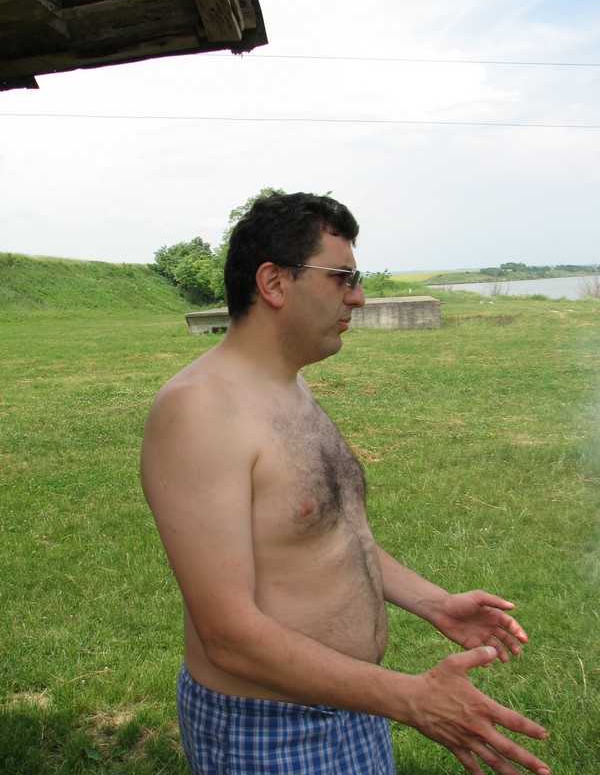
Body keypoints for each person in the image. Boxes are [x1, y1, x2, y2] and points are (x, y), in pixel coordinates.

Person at [140, 192, 550, 775]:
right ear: (274, 283)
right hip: (271, 733)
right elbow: (227, 635)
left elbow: (330, 536)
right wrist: (410, 698)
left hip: (352, 703)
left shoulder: (289, 385)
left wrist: (434, 603)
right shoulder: (199, 411)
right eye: (342, 278)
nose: (357, 296)